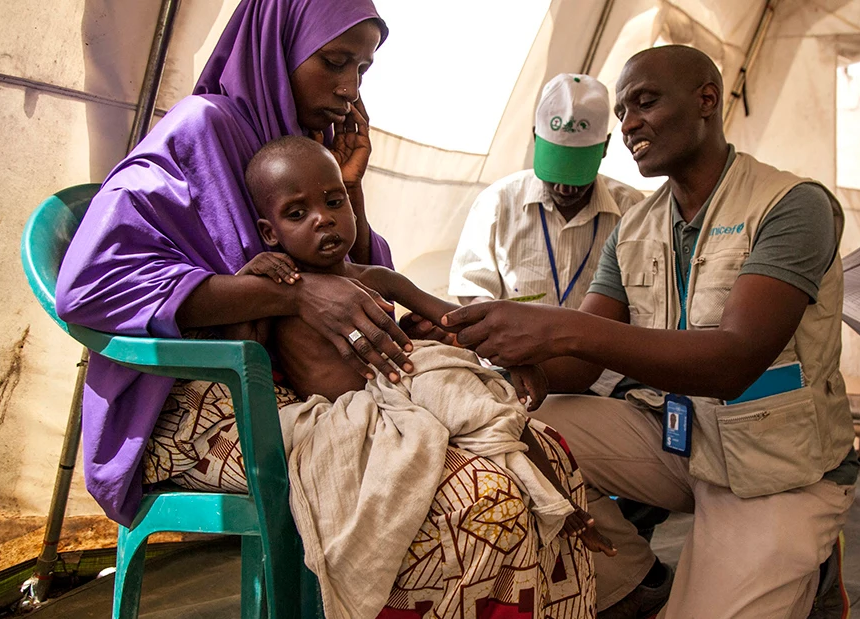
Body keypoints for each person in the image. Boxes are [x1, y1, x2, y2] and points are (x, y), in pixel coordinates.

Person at [55, 1, 596, 615]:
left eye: (363, 70)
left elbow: (356, 272)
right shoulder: (201, 128)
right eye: (335, 62)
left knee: (540, 452)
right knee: (473, 498)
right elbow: (92, 282)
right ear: (276, 48)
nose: (349, 89)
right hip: (203, 399)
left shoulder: (301, 147)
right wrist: (292, 292)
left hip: (320, 392)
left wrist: (353, 185)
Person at [440, 45, 858, 618]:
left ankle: (803, 559)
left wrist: (559, 329)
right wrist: (494, 354)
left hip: (774, 466)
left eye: (645, 102)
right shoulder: (636, 224)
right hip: (677, 440)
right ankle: (633, 582)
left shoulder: (790, 205)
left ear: (707, 100)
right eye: (622, 112)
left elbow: (732, 362)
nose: (629, 123)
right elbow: (580, 367)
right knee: (512, 431)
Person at [239, 134, 615, 556]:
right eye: (297, 213)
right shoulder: (277, 296)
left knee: (494, 402)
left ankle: (560, 505)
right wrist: (248, 280)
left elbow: (454, 318)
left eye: (334, 202)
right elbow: (241, 348)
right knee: (473, 407)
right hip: (353, 410)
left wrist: (515, 356)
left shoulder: (377, 278)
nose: (322, 219)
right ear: (269, 233)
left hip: (408, 384)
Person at [448, 72, 644, 397]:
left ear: (605, 147)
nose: (566, 187)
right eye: (556, 171)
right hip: (511, 372)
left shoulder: (634, 212)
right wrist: (501, 338)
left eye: (577, 173)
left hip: (605, 382)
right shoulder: (499, 202)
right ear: (536, 137)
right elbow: (471, 289)